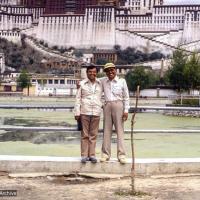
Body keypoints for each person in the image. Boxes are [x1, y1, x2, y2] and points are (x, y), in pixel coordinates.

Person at [100, 62, 130, 164]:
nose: (110, 72)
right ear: (105, 73)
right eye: (107, 71)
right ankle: (105, 154)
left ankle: (121, 155)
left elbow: (126, 97)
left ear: (115, 70)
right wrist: (80, 83)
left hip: (119, 105)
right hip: (107, 106)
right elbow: (92, 80)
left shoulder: (122, 81)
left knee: (120, 131)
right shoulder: (103, 81)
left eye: (112, 70)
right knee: (106, 131)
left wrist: (126, 111)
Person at [74, 65, 103, 163]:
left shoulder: (100, 83)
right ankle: (84, 156)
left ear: (96, 73)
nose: (92, 73)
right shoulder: (82, 84)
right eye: (90, 72)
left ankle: (92, 155)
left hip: (96, 112)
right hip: (84, 112)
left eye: (94, 72)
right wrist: (77, 112)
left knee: (93, 135)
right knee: (84, 135)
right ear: (87, 73)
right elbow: (78, 98)